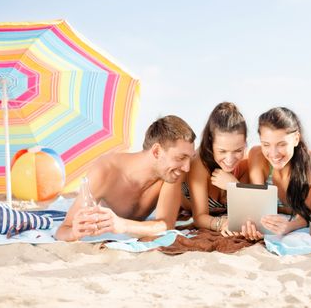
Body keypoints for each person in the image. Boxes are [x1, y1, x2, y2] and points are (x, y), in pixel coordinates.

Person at [55, 115, 196, 242]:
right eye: (181, 157)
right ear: (156, 151)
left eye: (189, 158)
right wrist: (74, 233)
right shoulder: (105, 170)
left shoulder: (170, 174)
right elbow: (63, 230)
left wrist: (123, 225)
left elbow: (166, 224)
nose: (186, 168)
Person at [246, 107, 311, 239]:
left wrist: (288, 226)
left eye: (281, 144)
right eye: (266, 144)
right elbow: (258, 207)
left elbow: (306, 215)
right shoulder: (256, 155)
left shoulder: (310, 160)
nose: (273, 153)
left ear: (296, 139)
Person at [183, 102, 249, 236]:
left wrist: (235, 186)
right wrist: (222, 224)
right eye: (222, 151)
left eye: (238, 150)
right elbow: (200, 217)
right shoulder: (199, 163)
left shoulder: (246, 163)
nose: (230, 160)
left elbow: (248, 210)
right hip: (185, 208)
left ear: (245, 142)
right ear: (210, 143)